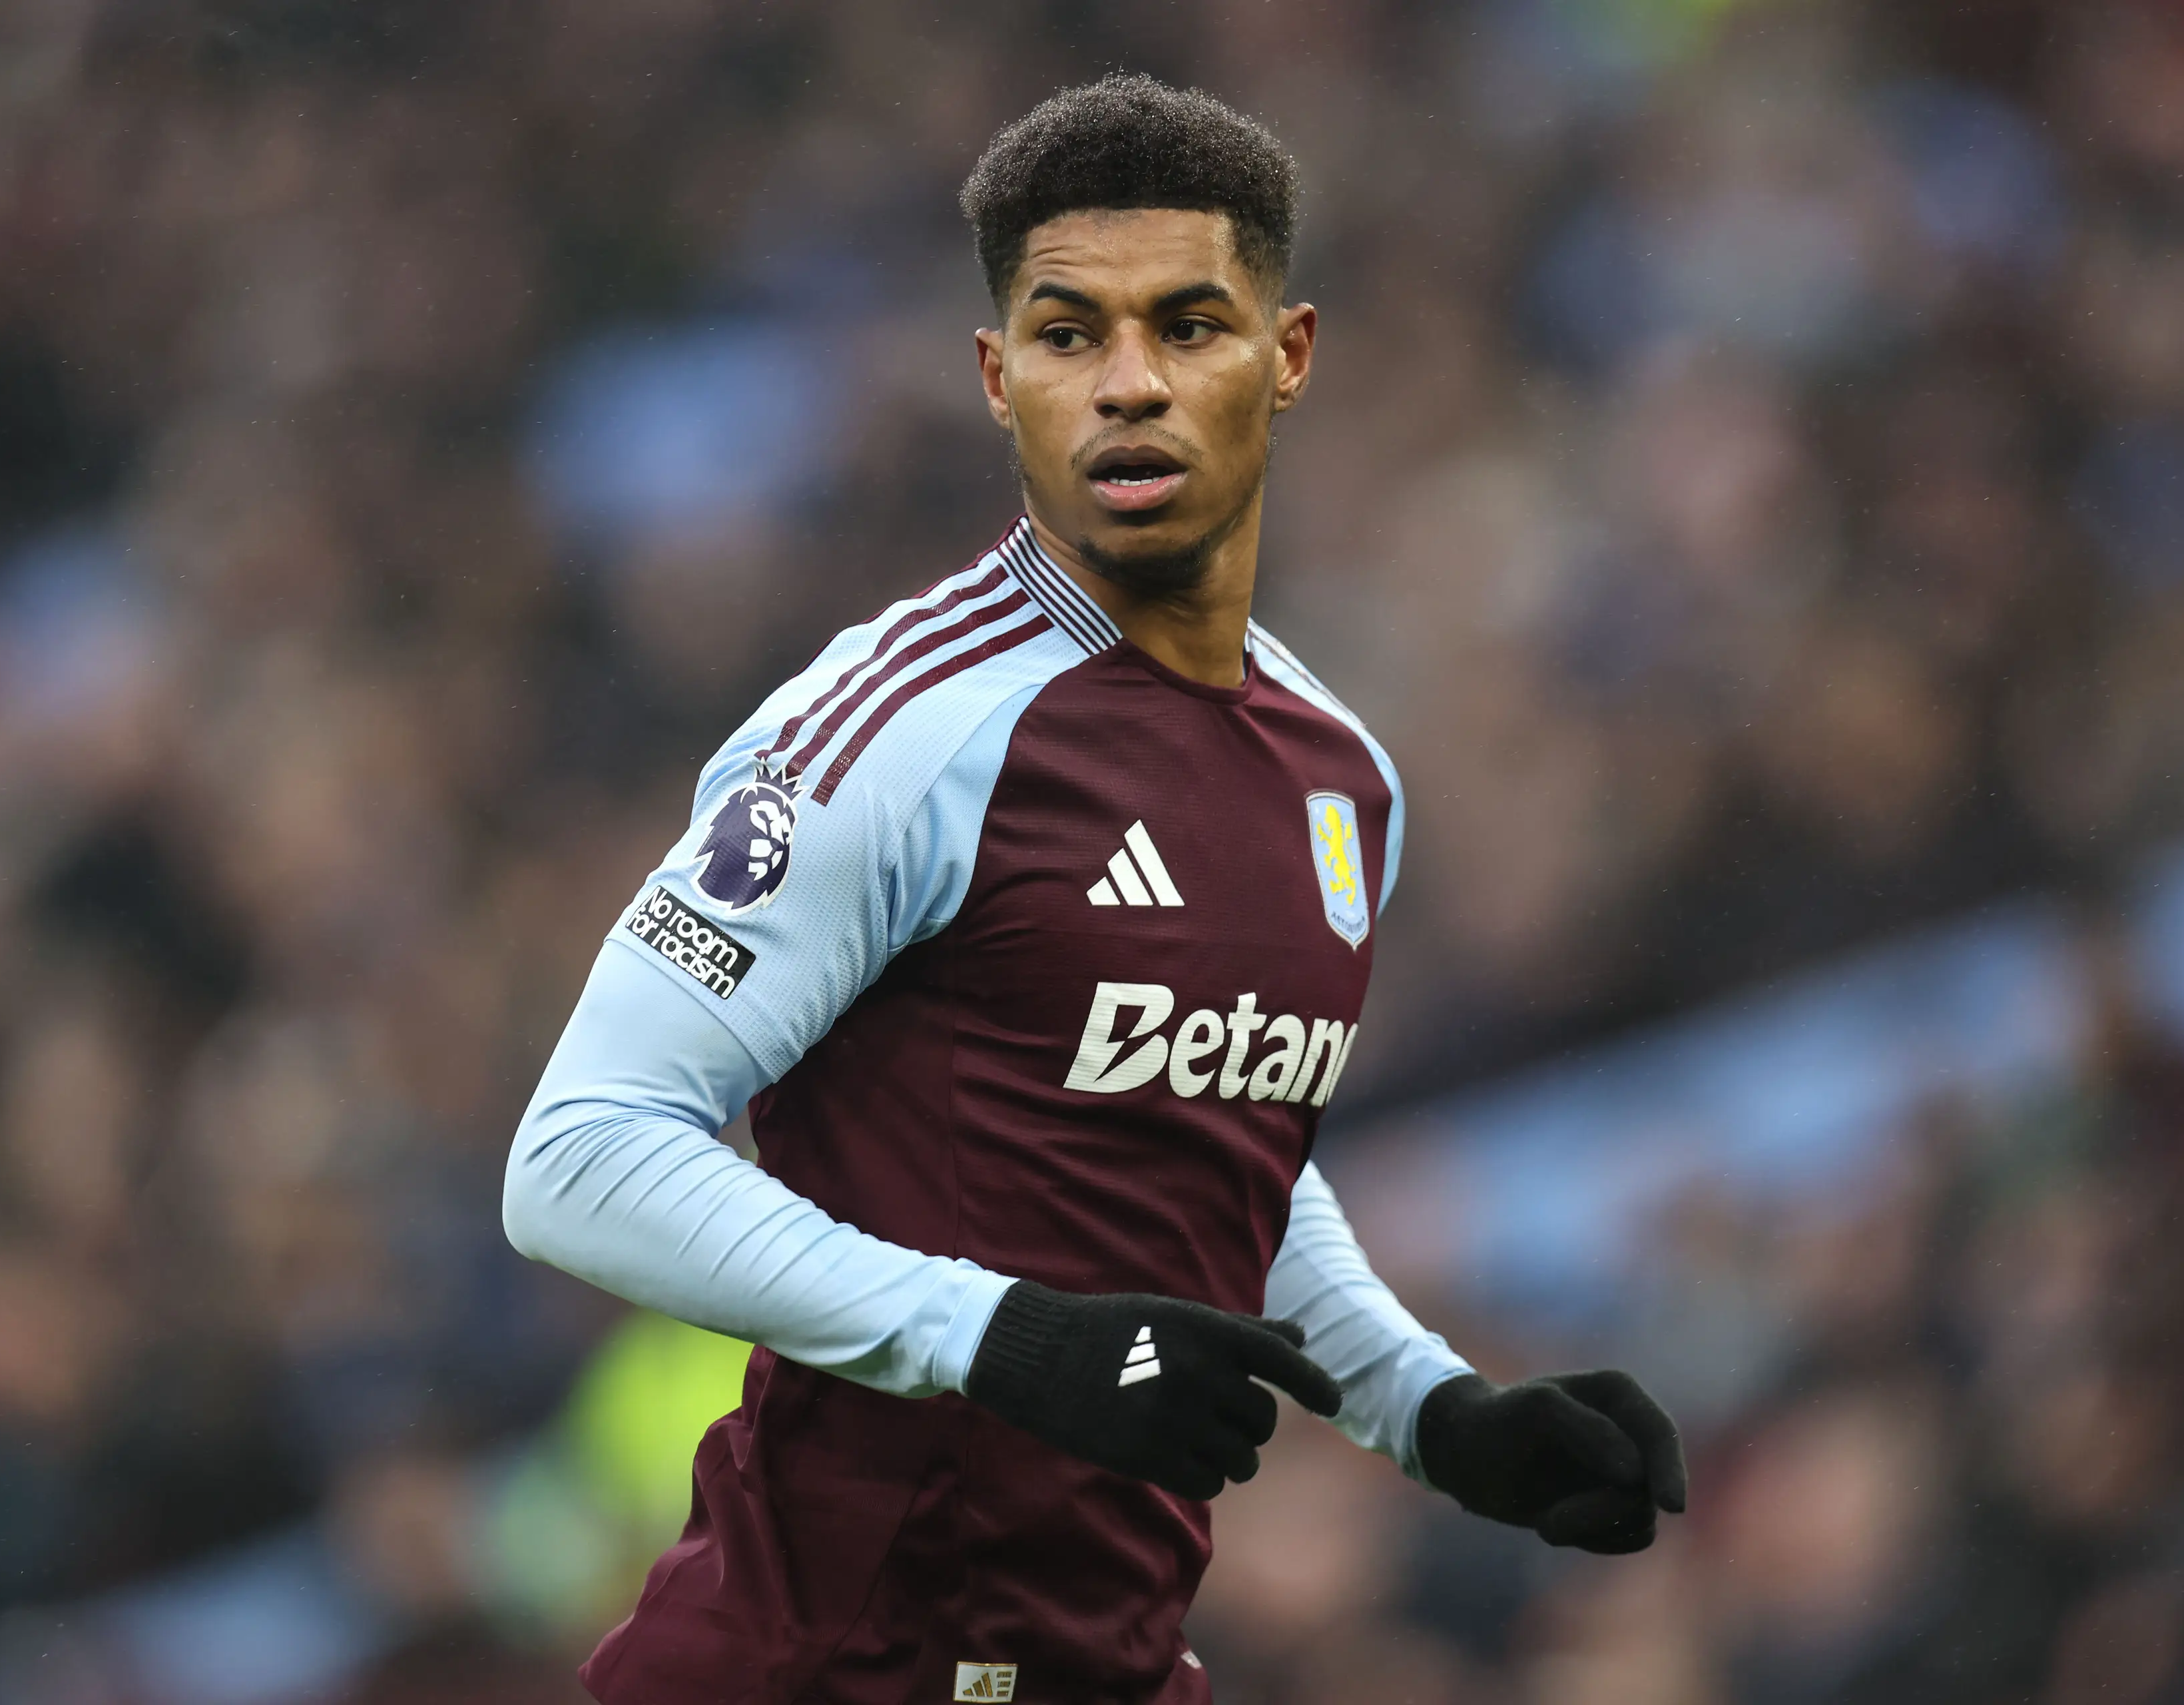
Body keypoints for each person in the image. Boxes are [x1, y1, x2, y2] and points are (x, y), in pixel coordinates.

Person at [505, 73, 1687, 1705]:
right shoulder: (896, 732)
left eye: (1190, 325)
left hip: (1106, 1670)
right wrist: (1001, 1334)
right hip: (818, 1668)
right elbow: (578, 1154)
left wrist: (1429, 1405)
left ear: (1288, 358)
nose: (1129, 384)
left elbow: (1204, 1151)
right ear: (1000, 380)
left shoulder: (1343, 780)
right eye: (1071, 334)